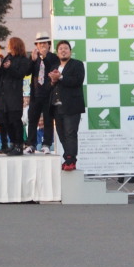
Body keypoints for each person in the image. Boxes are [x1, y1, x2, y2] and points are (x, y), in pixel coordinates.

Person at [49, 40, 85, 170]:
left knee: (70, 132)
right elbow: (51, 86)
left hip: (72, 105)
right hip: (57, 106)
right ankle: (68, 157)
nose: (63, 51)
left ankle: (71, 160)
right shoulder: (54, 66)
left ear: (70, 51)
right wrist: (53, 81)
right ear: (57, 52)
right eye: (60, 49)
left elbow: (78, 81)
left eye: (66, 48)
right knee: (61, 133)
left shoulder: (77, 64)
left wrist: (61, 77)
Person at [23, 32, 58, 155]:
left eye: (44, 43)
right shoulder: (34, 57)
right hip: (35, 94)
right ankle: (31, 144)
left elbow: (53, 69)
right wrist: (32, 61)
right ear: (36, 45)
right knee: (32, 119)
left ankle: (46, 144)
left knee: (48, 120)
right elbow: (26, 73)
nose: (42, 46)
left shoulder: (53, 57)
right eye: (40, 43)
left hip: (49, 93)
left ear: (49, 45)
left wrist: (44, 57)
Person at [0, 37, 31, 157]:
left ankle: (19, 145)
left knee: (15, 120)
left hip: (15, 94)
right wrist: (0, 66)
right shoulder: (8, 57)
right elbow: (1, 72)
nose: (8, 46)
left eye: (10, 44)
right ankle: (12, 143)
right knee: (5, 120)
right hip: (4, 94)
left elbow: (20, 74)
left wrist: (10, 67)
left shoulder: (23, 60)